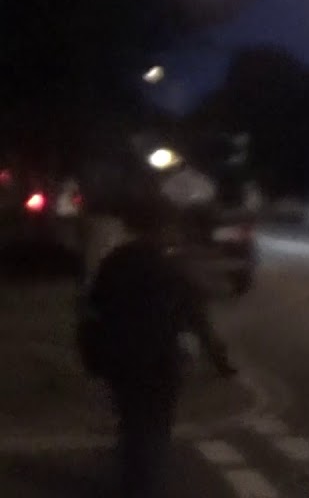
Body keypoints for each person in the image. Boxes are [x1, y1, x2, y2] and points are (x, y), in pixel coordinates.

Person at [77, 182, 237, 498]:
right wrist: (219, 361)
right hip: (161, 360)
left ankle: (131, 479)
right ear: (163, 226)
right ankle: (143, 485)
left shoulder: (116, 262)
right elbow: (197, 318)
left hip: (121, 358)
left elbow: (93, 309)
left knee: (131, 419)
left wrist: (93, 354)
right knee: (155, 426)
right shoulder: (171, 267)